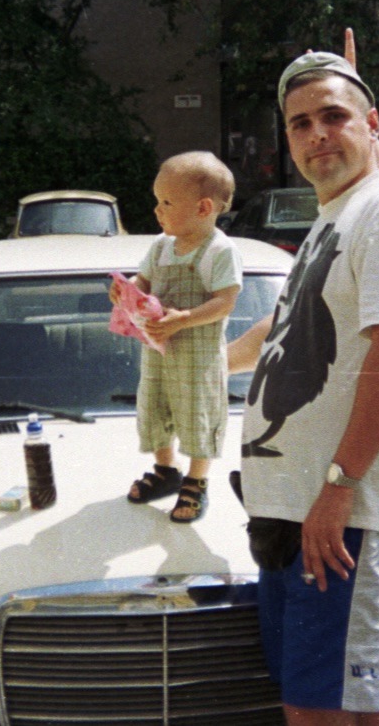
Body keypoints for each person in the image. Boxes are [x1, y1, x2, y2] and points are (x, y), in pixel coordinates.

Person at [227, 51, 379, 725]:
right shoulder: (337, 215)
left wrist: (338, 483)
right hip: (305, 505)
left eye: (333, 116)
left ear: (372, 124)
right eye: (299, 123)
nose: (316, 134)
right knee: (351, 693)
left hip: (351, 510)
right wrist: (201, 360)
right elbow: (293, 324)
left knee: (321, 704)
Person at [116, 150, 243, 523]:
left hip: (197, 356)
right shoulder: (160, 246)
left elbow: (225, 302)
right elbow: (145, 282)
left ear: (204, 208)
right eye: (157, 201)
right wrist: (128, 291)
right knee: (154, 408)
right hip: (158, 348)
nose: (158, 210)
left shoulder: (220, 250)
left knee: (197, 411)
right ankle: (166, 470)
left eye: (167, 202)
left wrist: (183, 319)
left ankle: (197, 479)